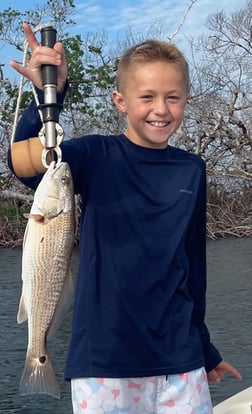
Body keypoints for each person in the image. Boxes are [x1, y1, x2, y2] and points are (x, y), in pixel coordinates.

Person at [8, 23, 242, 414]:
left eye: (173, 97)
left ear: (186, 99)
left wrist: (205, 346)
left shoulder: (192, 169)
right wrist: (46, 99)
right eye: (147, 96)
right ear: (120, 100)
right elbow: (27, 167)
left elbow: (193, 267)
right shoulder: (95, 156)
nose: (161, 109)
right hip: (102, 361)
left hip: (180, 361)